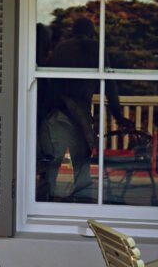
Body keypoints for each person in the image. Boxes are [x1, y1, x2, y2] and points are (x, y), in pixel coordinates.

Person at [36, 16, 128, 202]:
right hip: (75, 112)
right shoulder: (96, 49)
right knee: (81, 163)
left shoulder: (62, 48)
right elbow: (110, 86)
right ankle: (80, 200)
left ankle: (47, 201)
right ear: (91, 31)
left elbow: (49, 80)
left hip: (55, 111)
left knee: (52, 162)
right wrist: (118, 115)